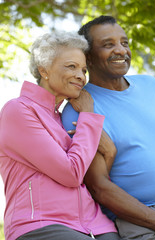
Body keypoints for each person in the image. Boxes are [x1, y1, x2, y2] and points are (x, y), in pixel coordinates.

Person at [0, 31, 121, 240]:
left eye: (83, 70)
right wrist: (89, 117)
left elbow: (89, 178)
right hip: (40, 224)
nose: (80, 76)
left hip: (96, 225)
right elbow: (71, 173)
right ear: (44, 70)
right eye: (71, 66)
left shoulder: (66, 117)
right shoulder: (18, 111)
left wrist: (108, 152)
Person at [62, 15, 155, 239]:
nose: (120, 50)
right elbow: (99, 187)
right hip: (141, 220)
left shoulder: (153, 86)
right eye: (108, 45)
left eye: (124, 43)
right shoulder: (80, 109)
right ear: (87, 57)